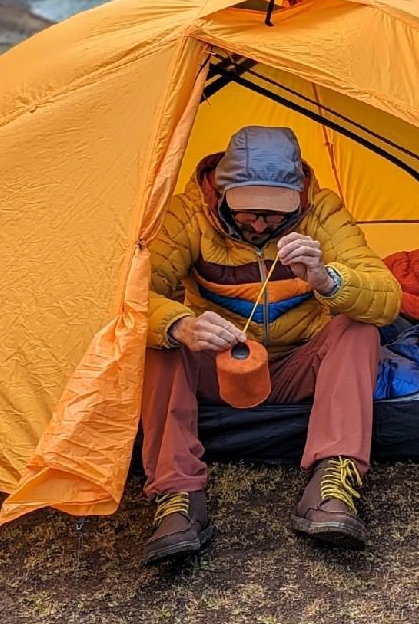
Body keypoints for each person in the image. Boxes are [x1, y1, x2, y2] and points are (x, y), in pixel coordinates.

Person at [140, 125, 402, 565]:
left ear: (298, 194)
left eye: (275, 213)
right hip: (219, 366)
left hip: (295, 365)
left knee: (359, 329)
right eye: (248, 212)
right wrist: (180, 324)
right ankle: (177, 495)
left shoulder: (322, 212)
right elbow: (131, 299)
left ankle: (334, 481)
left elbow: (387, 297)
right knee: (160, 342)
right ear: (220, 194)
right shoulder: (187, 216)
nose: (260, 222)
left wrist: (325, 278)